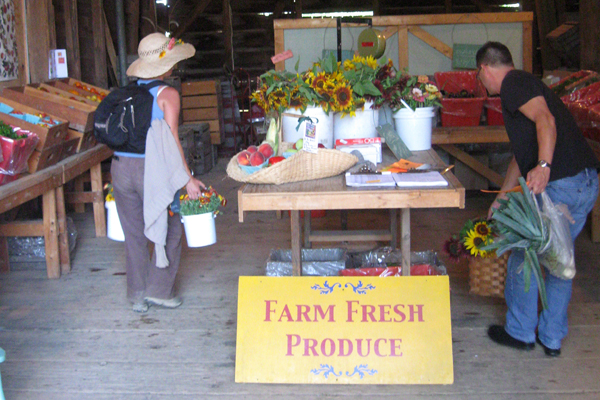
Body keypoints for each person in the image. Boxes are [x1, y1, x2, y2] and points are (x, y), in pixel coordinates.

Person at [476, 41, 600, 356]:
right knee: (560, 261)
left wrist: (544, 167)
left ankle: (519, 332)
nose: (481, 82)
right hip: (584, 182)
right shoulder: (526, 88)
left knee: (523, 256)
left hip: (561, 185)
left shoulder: (513, 83)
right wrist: (502, 197)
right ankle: (552, 339)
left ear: (485, 69)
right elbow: (522, 155)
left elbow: (546, 121)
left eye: (480, 76)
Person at [112, 33, 205, 313]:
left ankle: (137, 295)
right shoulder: (168, 95)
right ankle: (160, 291)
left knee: (134, 234)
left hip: (120, 169)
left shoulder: (127, 92)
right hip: (152, 170)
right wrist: (188, 178)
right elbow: (174, 139)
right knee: (172, 229)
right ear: (168, 65)